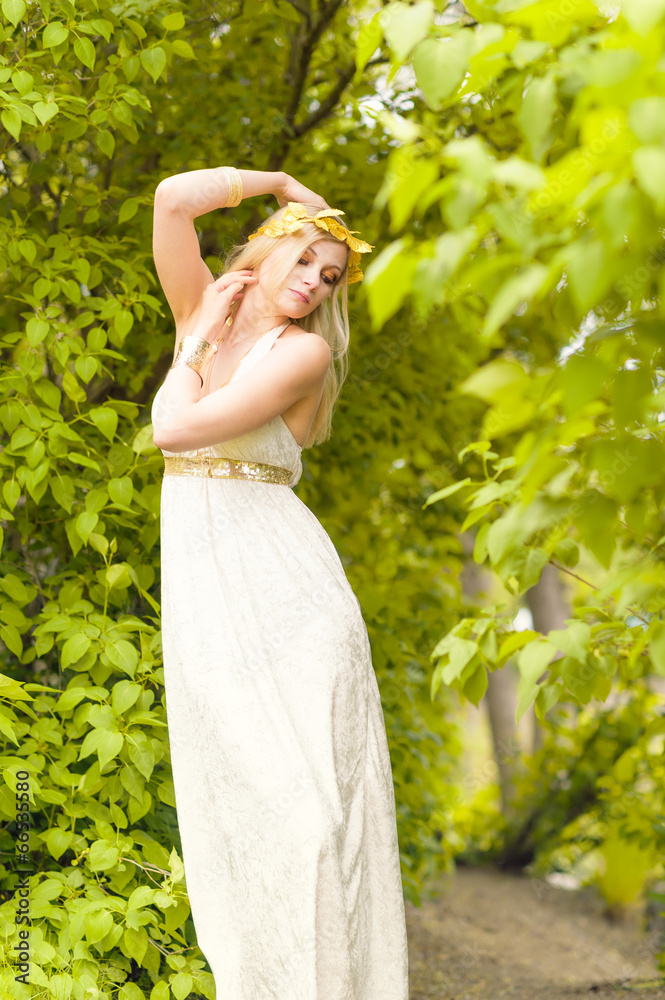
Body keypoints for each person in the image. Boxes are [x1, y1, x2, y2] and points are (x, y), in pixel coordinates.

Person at [150, 165, 409, 999]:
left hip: (287, 588)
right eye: (301, 260)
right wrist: (272, 183)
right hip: (209, 582)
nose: (311, 284)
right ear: (263, 250)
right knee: (247, 802)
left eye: (328, 277)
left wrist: (190, 349)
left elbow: (175, 429)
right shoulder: (203, 305)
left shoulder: (303, 351)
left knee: (310, 818)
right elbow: (171, 201)